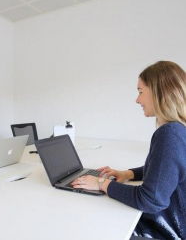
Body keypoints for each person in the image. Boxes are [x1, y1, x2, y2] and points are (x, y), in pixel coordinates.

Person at [71, 61, 186, 240]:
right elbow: (165, 171)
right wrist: (127, 174)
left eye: (141, 92)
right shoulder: (179, 130)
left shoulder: (170, 134)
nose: (137, 100)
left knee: (86, 226)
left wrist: (102, 184)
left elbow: (150, 201)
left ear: (158, 91)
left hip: (166, 232)